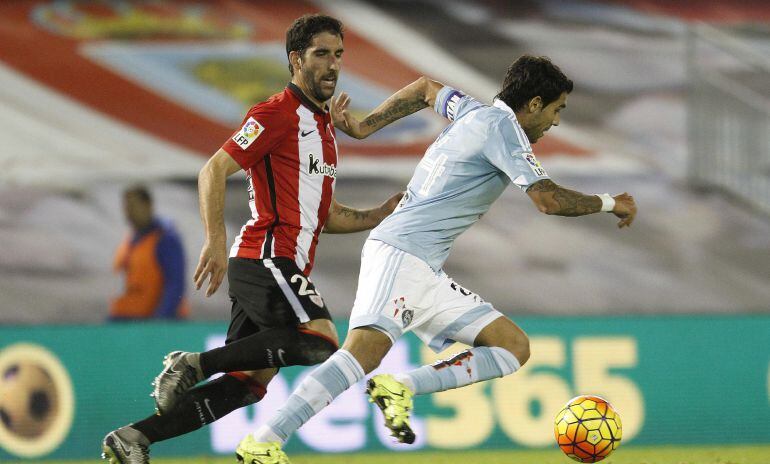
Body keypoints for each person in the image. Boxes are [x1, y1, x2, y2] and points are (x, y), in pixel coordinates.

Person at [234, 55, 637, 463]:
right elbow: (547, 200)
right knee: (361, 354)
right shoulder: (504, 128)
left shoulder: (472, 111)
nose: (555, 122)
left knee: (511, 346)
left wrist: (363, 126)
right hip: (401, 254)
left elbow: (425, 89)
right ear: (534, 103)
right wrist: (609, 203)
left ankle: (401, 387)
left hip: (422, 267)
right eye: (556, 110)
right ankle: (264, 440)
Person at [101, 14, 402, 464]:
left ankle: (133, 437)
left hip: (284, 264)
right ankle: (192, 364)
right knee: (319, 340)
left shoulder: (324, 130)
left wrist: (378, 215)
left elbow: (322, 215)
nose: (333, 65)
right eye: (322, 54)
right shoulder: (275, 113)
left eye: (339, 55)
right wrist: (214, 242)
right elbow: (213, 170)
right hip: (265, 257)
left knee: (249, 384)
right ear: (296, 60)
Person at [109, 185, 189, 321]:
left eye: (133, 206)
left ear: (148, 205)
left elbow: (175, 284)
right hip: (127, 319)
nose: (129, 213)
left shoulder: (165, 239)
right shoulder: (131, 240)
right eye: (126, 207)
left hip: (153, 322)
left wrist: (159, 322)